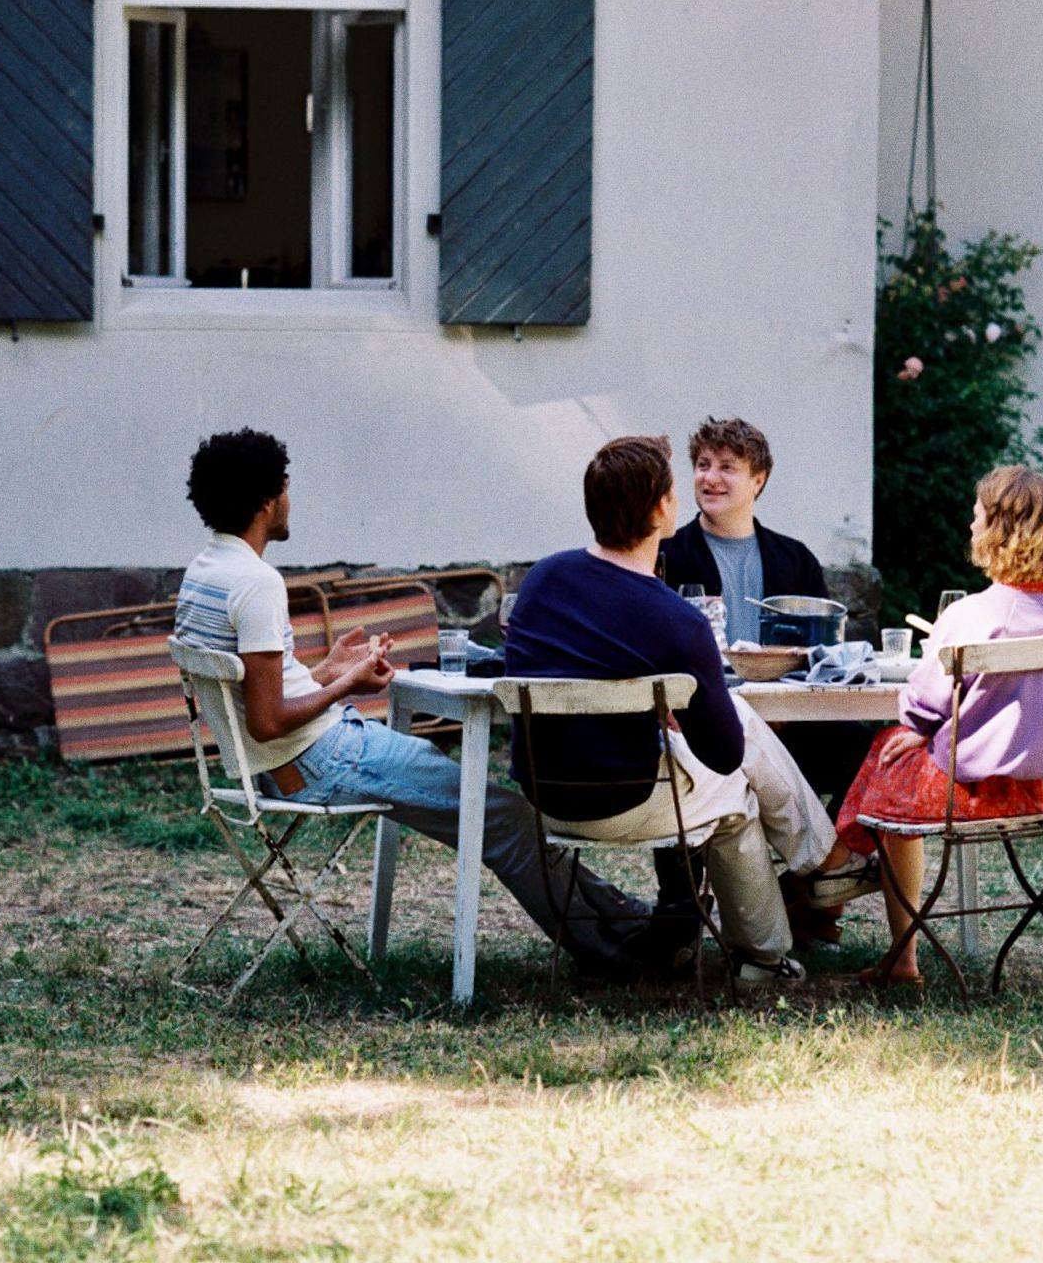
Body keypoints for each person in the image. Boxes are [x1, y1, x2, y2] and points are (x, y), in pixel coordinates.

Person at [172, 428, 666, 981]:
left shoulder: (205, 573)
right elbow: (266, 722)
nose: (290, 499)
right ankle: (623, 952)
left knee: (501, 816)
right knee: (501, 818)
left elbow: (254, 695)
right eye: (285, 488)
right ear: (267, 501)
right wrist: (349, 685)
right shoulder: (257, 583)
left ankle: (632, 923)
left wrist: (327, 669)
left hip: (285, 763)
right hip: (316, 761)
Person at [503, 435, 843, 988]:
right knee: (738, 794)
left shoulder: (542, 579)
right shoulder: (676, 618)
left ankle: (821, 872)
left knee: (733, 736)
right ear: (662, 509)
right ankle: (773, 945)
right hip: (626, 799)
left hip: (546, 794)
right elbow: (726, 754)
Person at [819, 466, 1043, 987]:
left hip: (965, 794)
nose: (970, 524)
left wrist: (918, 724)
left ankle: (836, 869)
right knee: (892, 754)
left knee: (888, 747)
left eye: (976, 514)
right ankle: (837, 866)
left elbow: (924, 696)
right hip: (1032, 794)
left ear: (997, 529)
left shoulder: (972, 613)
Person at [656, 416, 876, 933]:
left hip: (792, 726)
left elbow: (824, 657)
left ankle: (810, 893)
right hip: (703, 726)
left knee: (865, 750)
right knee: (673, 754)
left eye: (728, 467)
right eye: (703, 466)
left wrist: (783, 712)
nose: (710, 478)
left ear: (759, 480)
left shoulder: (794, 559)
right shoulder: (669, 555)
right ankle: (680, 909)